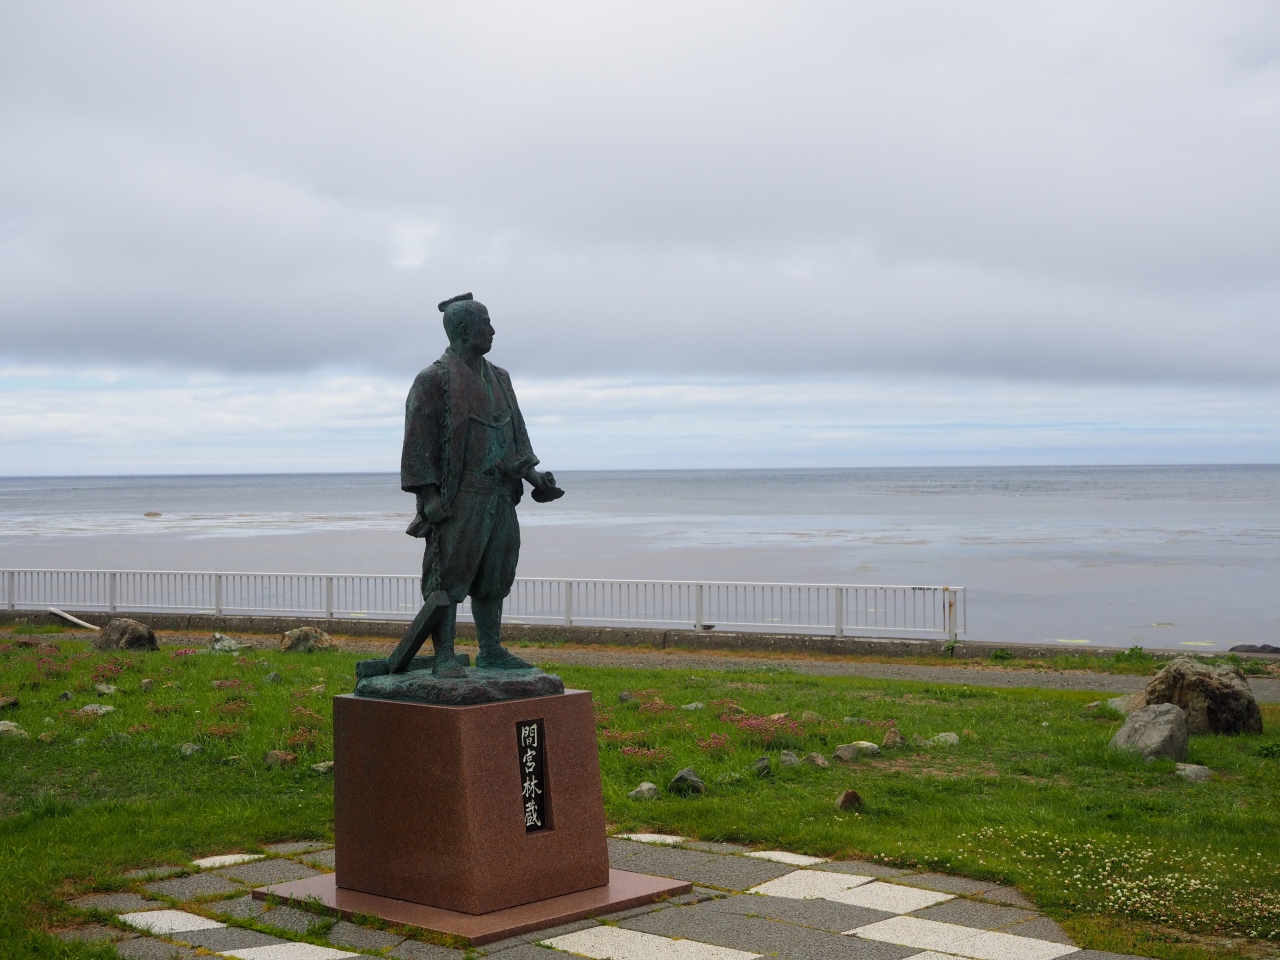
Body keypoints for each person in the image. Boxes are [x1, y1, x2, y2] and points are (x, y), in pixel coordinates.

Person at [401, 293, 563, 677]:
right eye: (485, 323)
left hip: (500, 494)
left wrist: (534, 476)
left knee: (496, 574)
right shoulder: (433, 380)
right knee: (449, 578)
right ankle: (444, 655)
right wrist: (429, 495)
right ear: (463, 330)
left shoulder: (501, 378)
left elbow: (516, 435)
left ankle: (491, 650)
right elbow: (418, 443)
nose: (492, 330)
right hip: (461, 497)